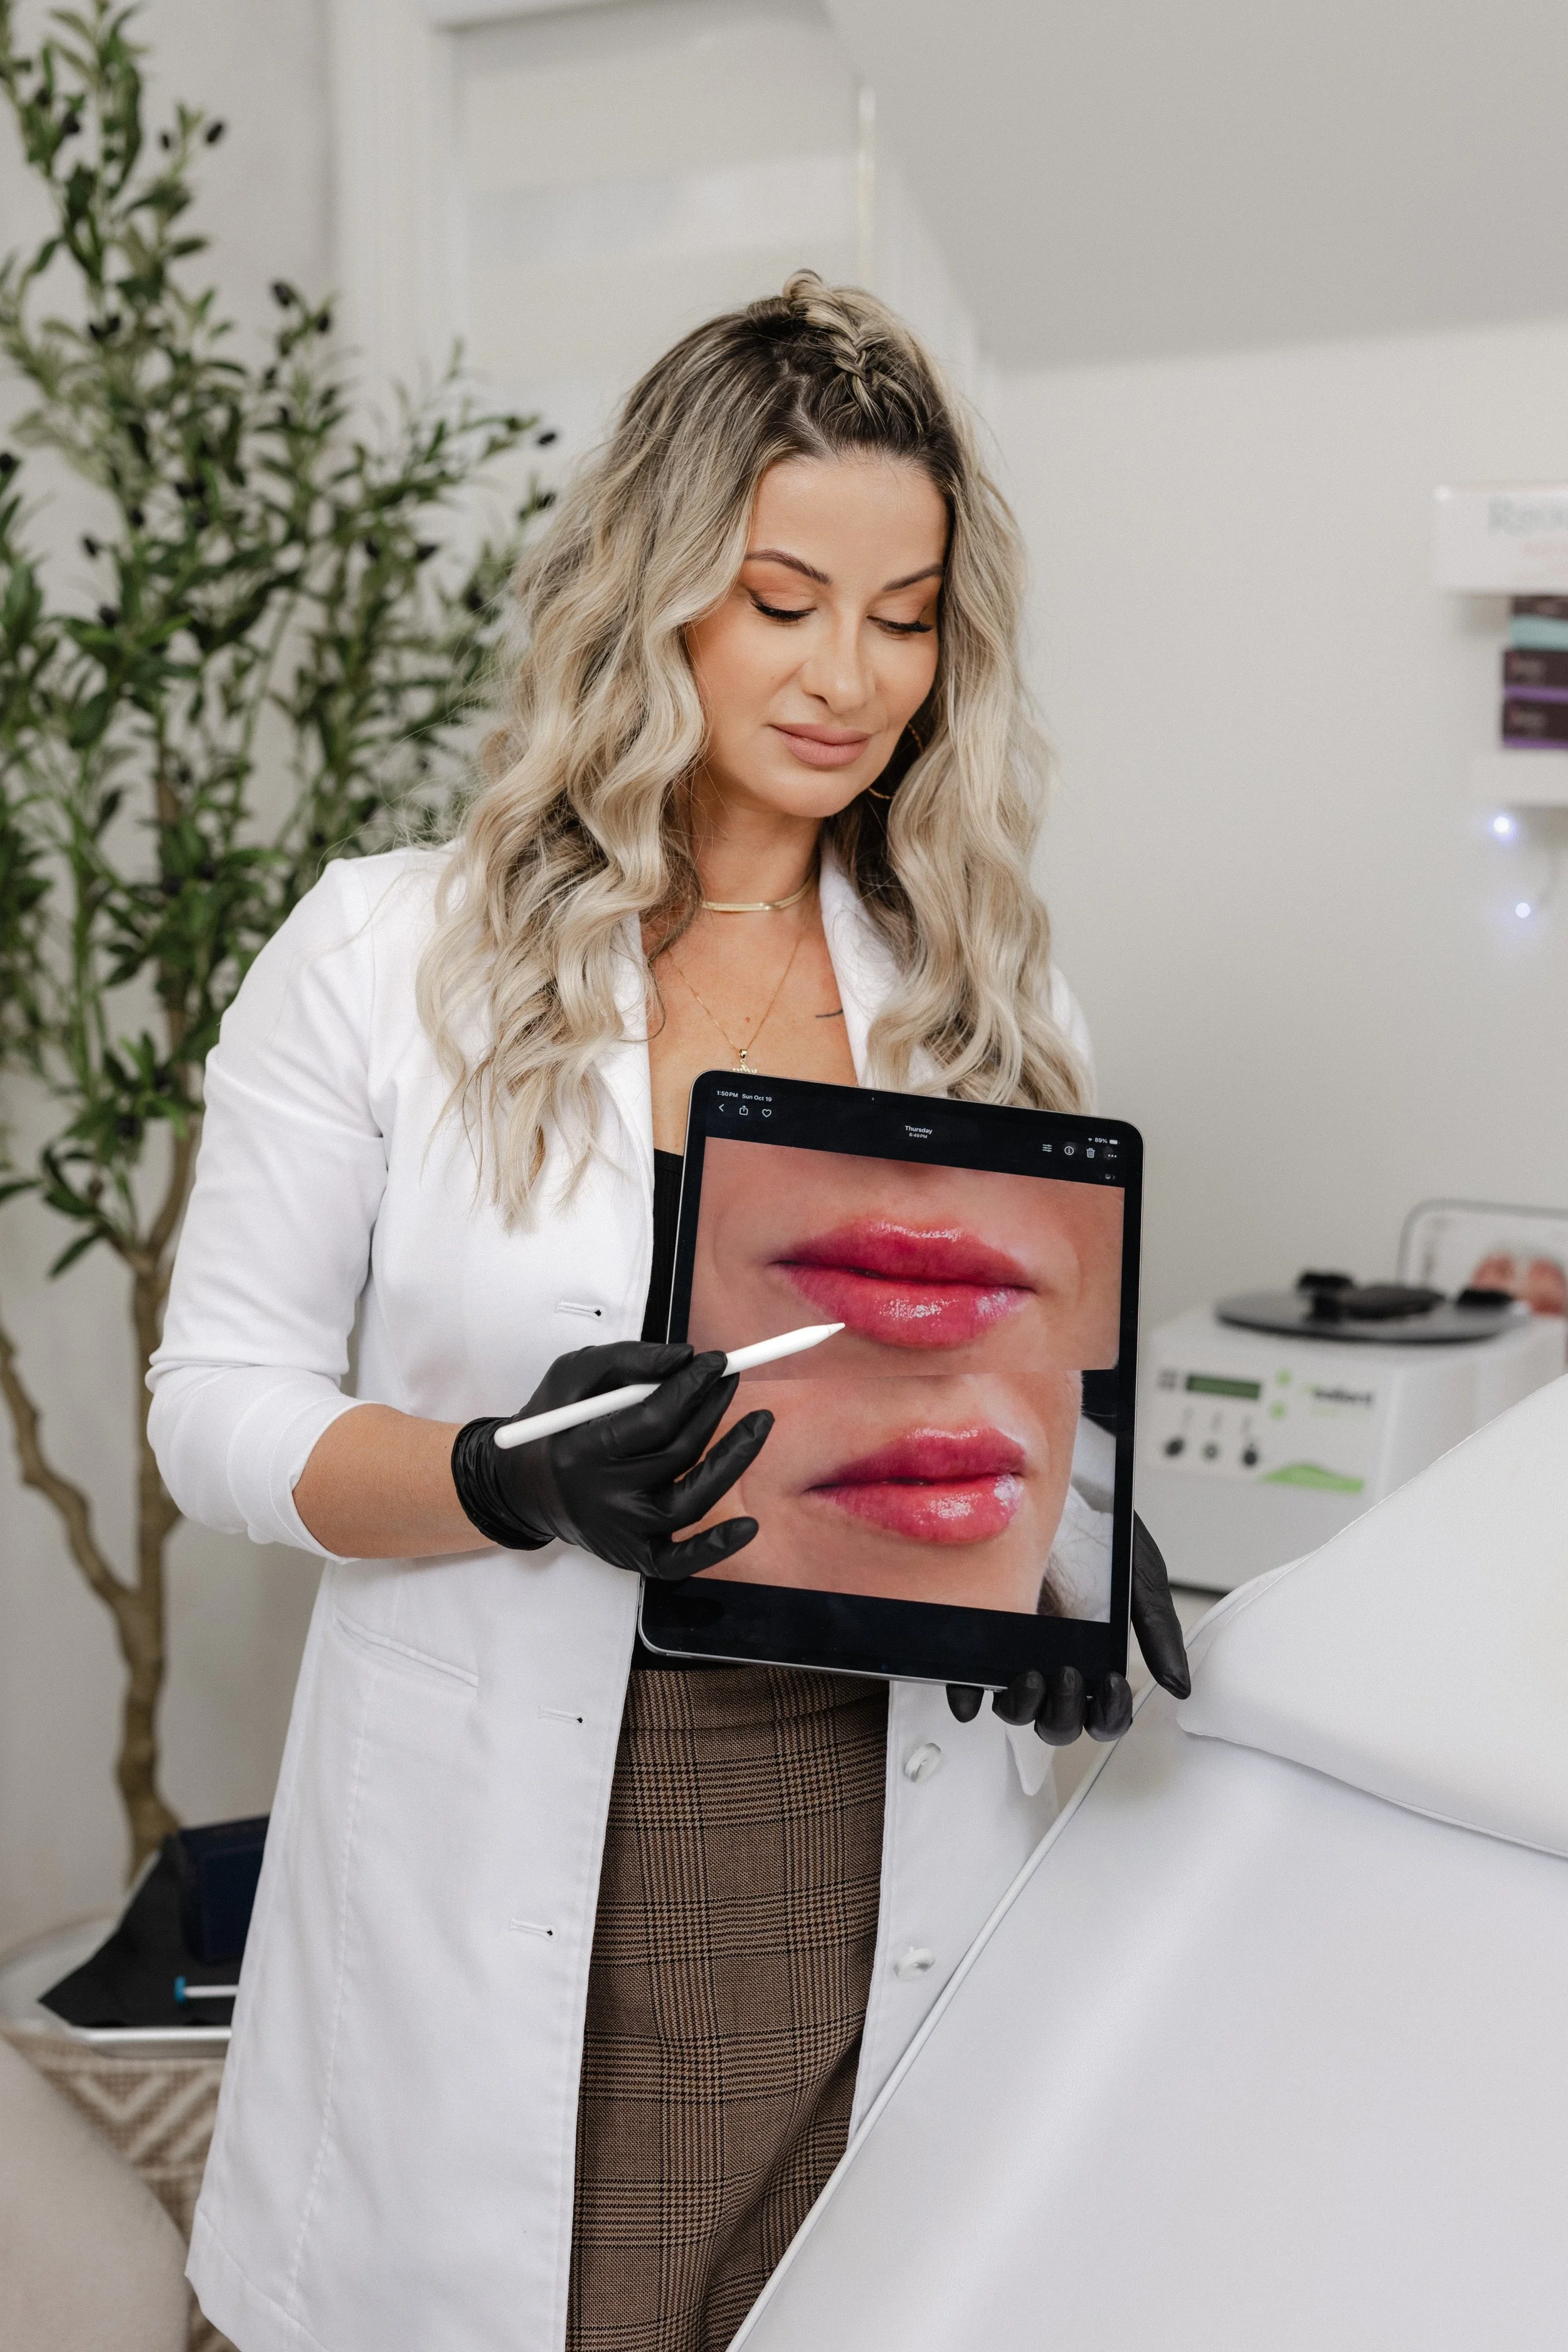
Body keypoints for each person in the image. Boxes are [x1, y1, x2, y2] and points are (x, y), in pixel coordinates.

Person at [149, 273, 1189, 2352]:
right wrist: (498, 1474)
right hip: (503, 1859)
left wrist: (1065, 1550)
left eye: (904, 618)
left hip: (864, 1849)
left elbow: (989, 1405)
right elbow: (213, 1410)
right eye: (785, 596)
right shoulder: (383, 952)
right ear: (658, 587)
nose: (849, 676)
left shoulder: (986, 989)